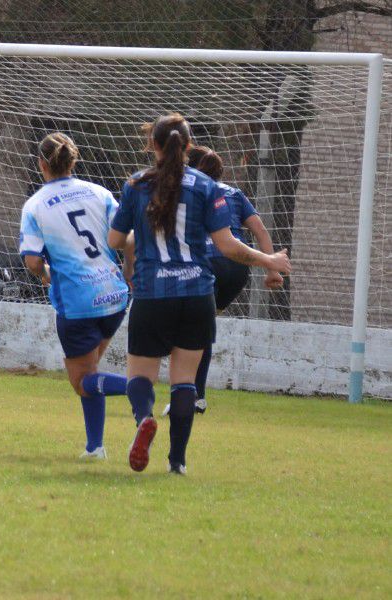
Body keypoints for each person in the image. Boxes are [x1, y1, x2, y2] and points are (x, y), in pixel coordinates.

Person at [108, 113, 291, 475]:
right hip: (196, 295)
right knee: (185, 381)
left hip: (152, 292)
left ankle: (145, 418)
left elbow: (115, 240)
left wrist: (134, 251)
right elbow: (228, 246)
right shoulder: (207, 186)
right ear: (189, 147)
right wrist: (268, 258)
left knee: (139, 377)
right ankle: (177, 462)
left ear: (152, 145)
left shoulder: (136, 185)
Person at [19, 132, 131, 460]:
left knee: (82, 380)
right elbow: (129, 240)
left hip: (77, 301)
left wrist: (45, 276)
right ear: (74, 160)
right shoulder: (99, 193)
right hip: (114, 297)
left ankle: (135, 387)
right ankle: (95, 446)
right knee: (91, 372)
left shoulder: (36, 205)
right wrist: (128, 273)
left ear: (41, 164)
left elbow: (33, 260)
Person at [179, 146, 284, 413]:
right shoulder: (234, 193)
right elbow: (260, 230)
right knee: (201, 327)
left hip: (207, 262)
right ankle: (195, 395)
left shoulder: (188, 190)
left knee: (191, 331)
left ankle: (193, 395)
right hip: (237, 270)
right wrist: (272, 269)